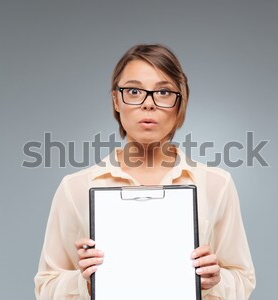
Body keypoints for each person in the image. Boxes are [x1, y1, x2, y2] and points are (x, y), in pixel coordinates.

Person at [34, 44, 256, 300]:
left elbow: (243, 279)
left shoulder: (217, 184)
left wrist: (214, 280)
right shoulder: (75, 188)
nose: (148, 104)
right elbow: (45, 287)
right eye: (134, 91)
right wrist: (84, 280)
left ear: (180, 104)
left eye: (163, 92)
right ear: (116, 100)